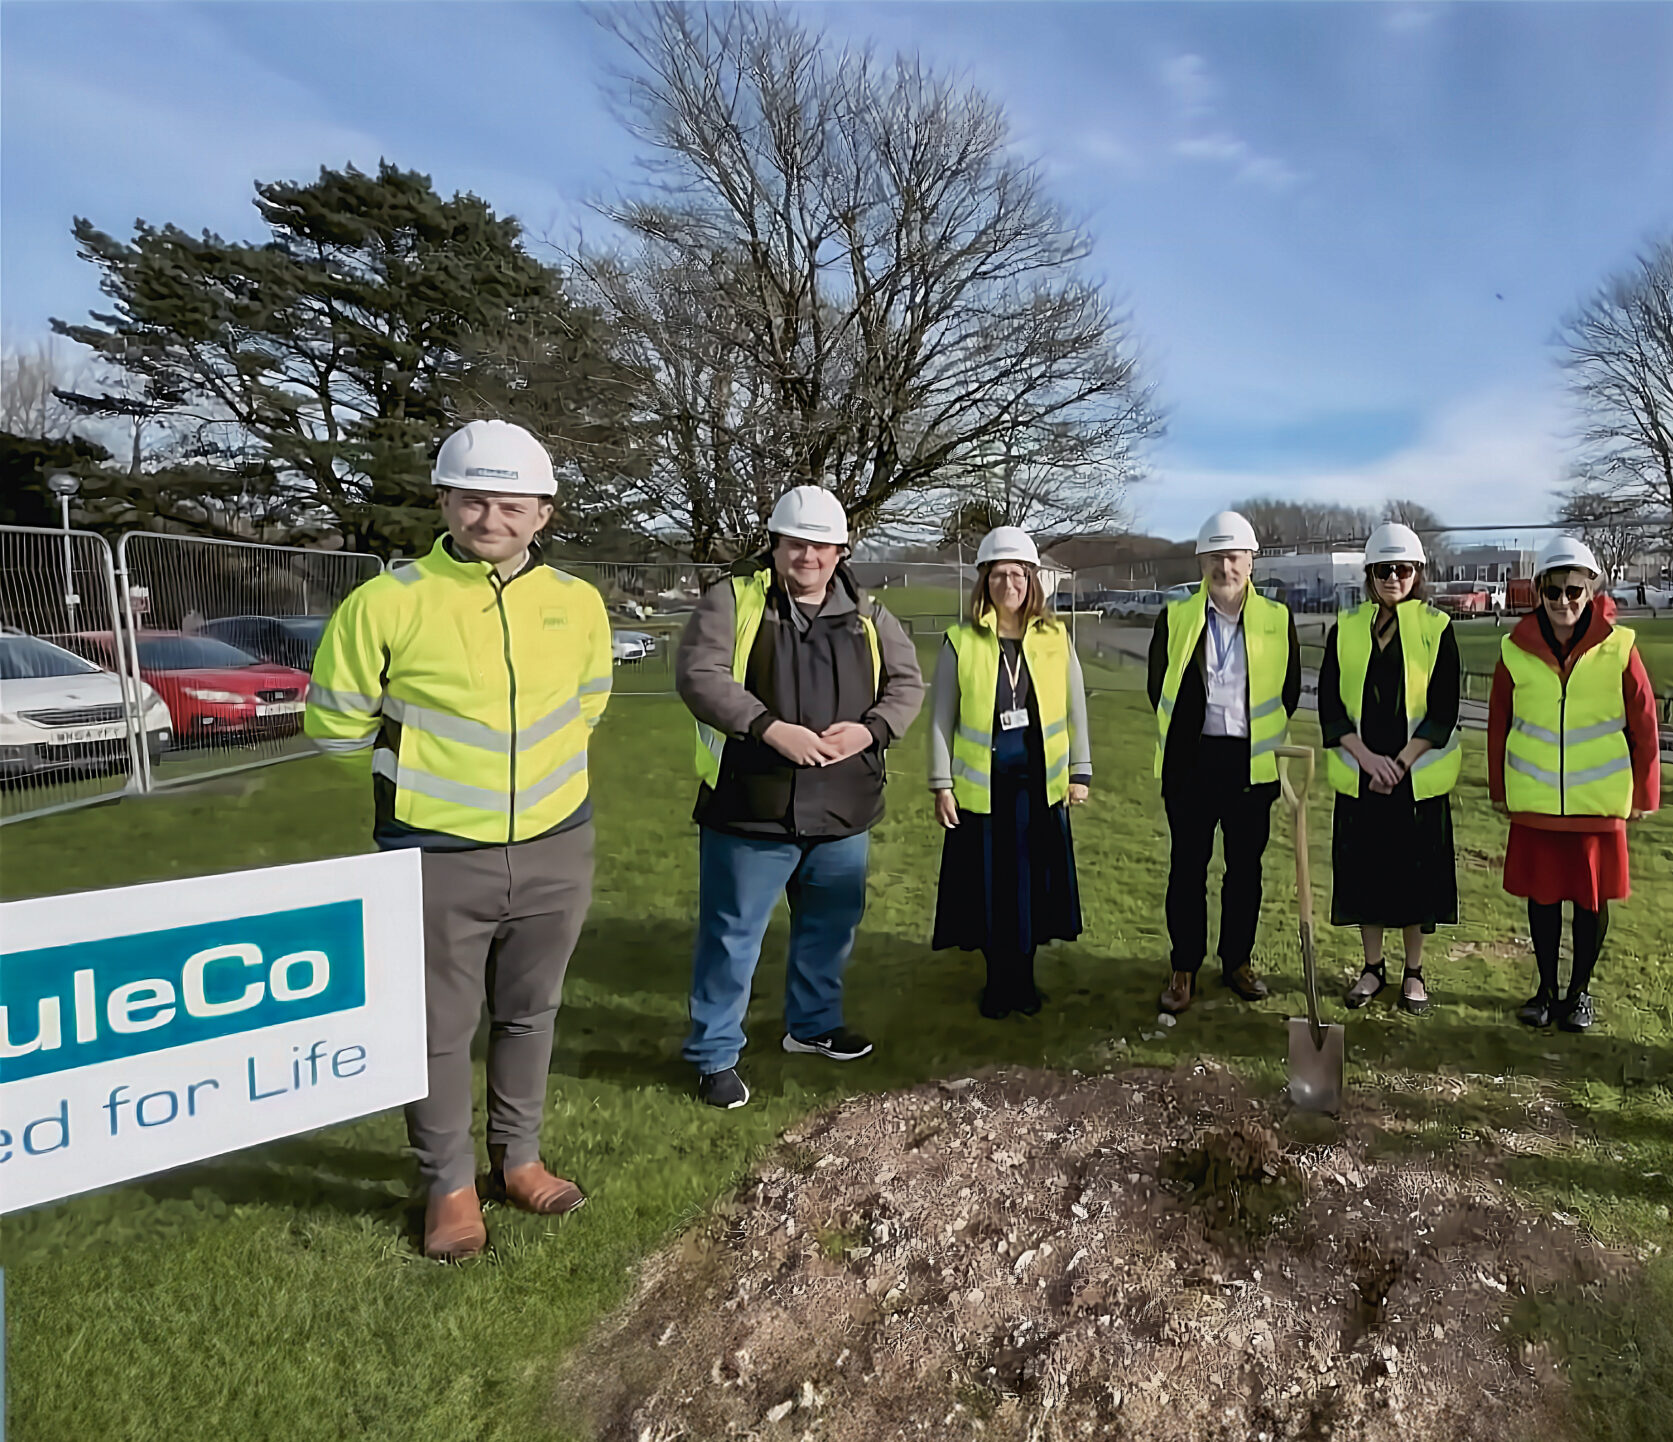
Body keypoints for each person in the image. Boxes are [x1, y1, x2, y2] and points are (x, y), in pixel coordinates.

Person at [304, 420, 612, 1261]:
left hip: (557, 843)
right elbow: (333, 727)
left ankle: (519, 1160)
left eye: (512, 503)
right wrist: (417, 783)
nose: (491, 518)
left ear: (542, 512)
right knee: (439, 1026)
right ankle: (447, 1185)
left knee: (530, 1012)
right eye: (473, 499)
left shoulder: (577, 604)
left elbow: (589, 704)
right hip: (435, 852)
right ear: (443, 500)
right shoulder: (388, 601)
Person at [673, 486, 925, 1111]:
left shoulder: (871, 615)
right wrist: (768, 728)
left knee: (828, 929)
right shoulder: (732, 602)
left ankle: (812, 1027)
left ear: (842, 550)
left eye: (820, 545)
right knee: (732, 936)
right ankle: (715, 1055)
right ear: (776, 545)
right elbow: (700, 676)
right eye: (796, 543)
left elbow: (907, 684)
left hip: (843, 808)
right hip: (751, 806)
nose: (808, 555)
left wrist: (870, 730)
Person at [1487, 537, 1662, 1032]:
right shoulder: (1514, 649)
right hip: (1536, 800)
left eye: (1574, 592)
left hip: (1597, 803)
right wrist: (1499, 789)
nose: (1564, 603)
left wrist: (1646, 793)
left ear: (1592, 590)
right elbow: (1498, 721)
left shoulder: (1620, 647)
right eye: (1554, 592)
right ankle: (1544, 990)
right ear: (1538, 591)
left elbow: (1644, 724)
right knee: (1541, 900)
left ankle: (1579, 992)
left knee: (1590, 902)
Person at [928, 527, 1092, 1017]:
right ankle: (999, 983)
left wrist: (1080, 772)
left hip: (1039, 791)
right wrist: (941, 784)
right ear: (984, 581)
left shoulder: (1056, 637)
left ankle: (1025, 979)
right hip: (983, 792)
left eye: (1018, 574)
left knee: (1032, 889)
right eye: (998, 575)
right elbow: (940, 719)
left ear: (1032, 580)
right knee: (991, 891)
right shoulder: (960, 641)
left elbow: (1076, 708)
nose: (1009, 584)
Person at [1146, 510, 1299, 1014]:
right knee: (1187, 869)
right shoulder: (1175, 616)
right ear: (1202, 561)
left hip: (1251, 766)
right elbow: (1158, 686)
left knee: (1245, 871)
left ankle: (1237, 961)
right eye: (1215, 557)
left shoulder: (1278, 620)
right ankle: (1183, 966)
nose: (1224, 567)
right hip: (1191, 762)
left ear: (1251, 561)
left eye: (1233, 557)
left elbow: (1290, 691)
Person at [1322, 523, 1463, 1013]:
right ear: (1369, 574)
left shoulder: (1437, 629)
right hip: (1363, 776)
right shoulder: (1346, 629)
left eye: (1402, 569)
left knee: (1414, 882)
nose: (1393, 578)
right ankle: (1372, 968)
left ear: (1417, 573)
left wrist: (1399, 764)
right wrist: (1367, 760)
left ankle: (1415, 972)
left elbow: (1444, 709)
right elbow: (1330, 708)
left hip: (1413, 778)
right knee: (1366, 876)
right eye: (1383, 570)